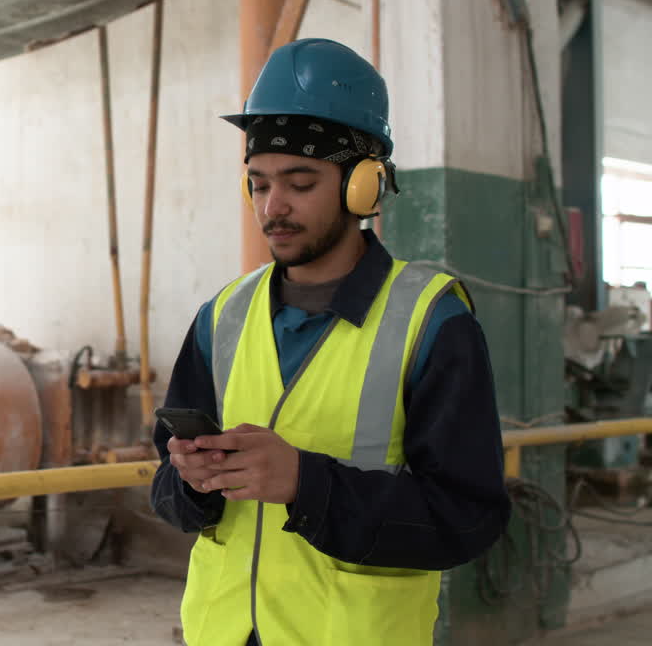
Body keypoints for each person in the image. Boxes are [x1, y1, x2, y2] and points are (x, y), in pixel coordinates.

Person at [149, 38, 510, 646]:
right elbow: (166, 483)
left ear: (363, 186)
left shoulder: (432, 324)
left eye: (300, 182)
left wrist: (307, 485)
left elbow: (465, 520)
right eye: (259, 184)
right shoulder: (223, 317)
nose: (273, 207)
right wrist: (189, 480)